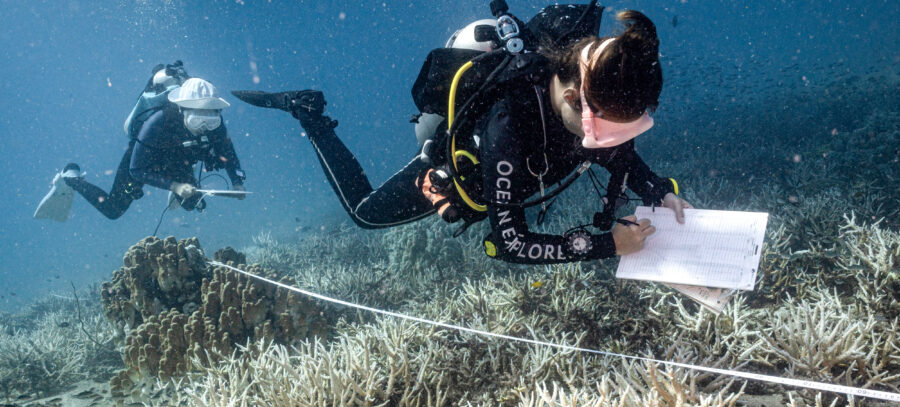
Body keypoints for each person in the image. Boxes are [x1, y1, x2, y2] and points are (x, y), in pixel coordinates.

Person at [235, 4, 690, 264]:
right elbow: (510, 242)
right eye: (608, 129)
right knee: (365, 214)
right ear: (573, 99)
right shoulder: (509, 126)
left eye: (628, 127)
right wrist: (609, 244)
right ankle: (309, 114)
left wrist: (658, 191)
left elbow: (620, 154)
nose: (614, 142)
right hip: (468, 168)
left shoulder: (601, 97)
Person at [35, 73, 246, 222]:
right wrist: (175, 186)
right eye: (198, 119)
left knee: (193, 204)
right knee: (112, 210)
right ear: (182, 109)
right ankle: (70, 178)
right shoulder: (158, 121)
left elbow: (228, 152)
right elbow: (136, 170)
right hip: (146, 160)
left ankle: (176, 186)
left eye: (210, 120)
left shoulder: (215, 122)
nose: (205, 127)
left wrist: (237, 183)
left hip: (179, 160)